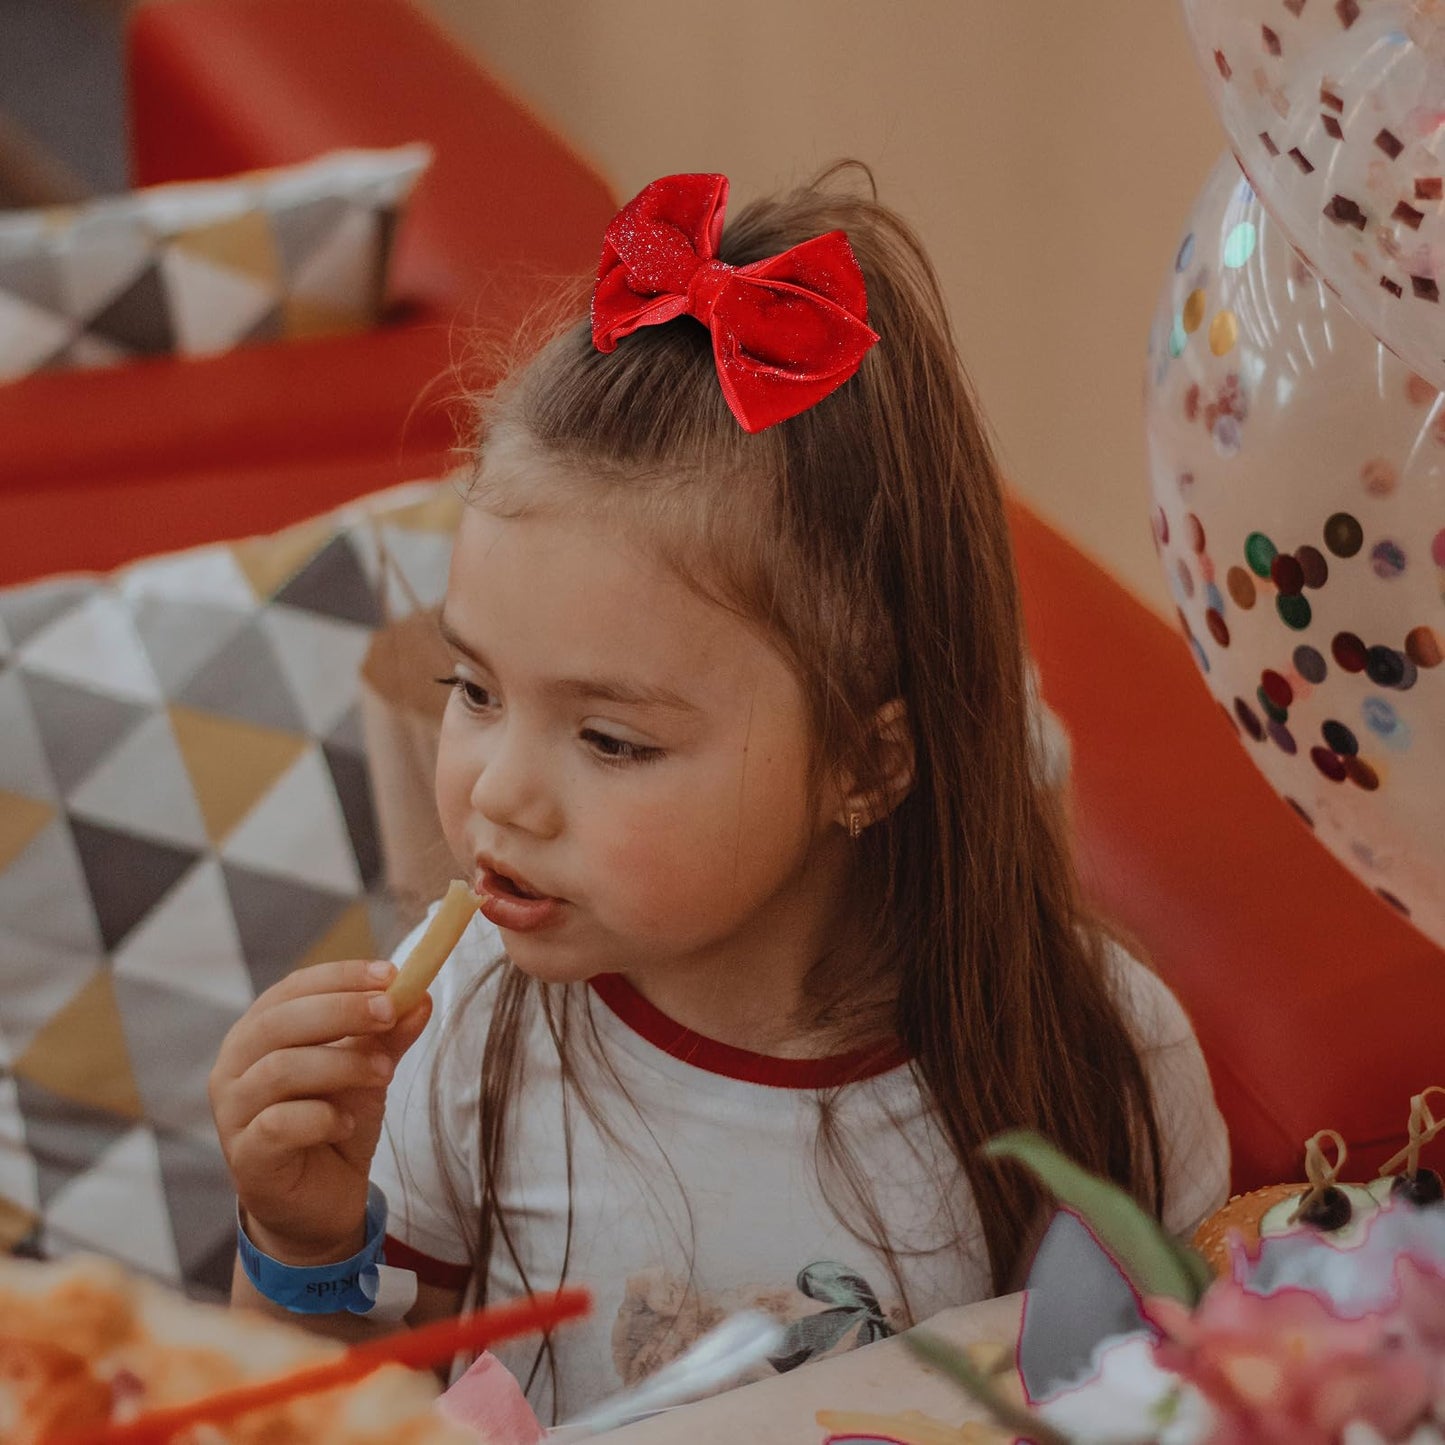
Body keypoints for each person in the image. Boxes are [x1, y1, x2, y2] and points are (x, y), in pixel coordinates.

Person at [209, 165, 1229, 1422]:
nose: (498, 795)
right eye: (473, 689)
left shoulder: (1105, 1058)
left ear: (867, 761)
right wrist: (300, 1243)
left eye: (611, 739)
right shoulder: (464, 1033)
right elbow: (321, 1414)